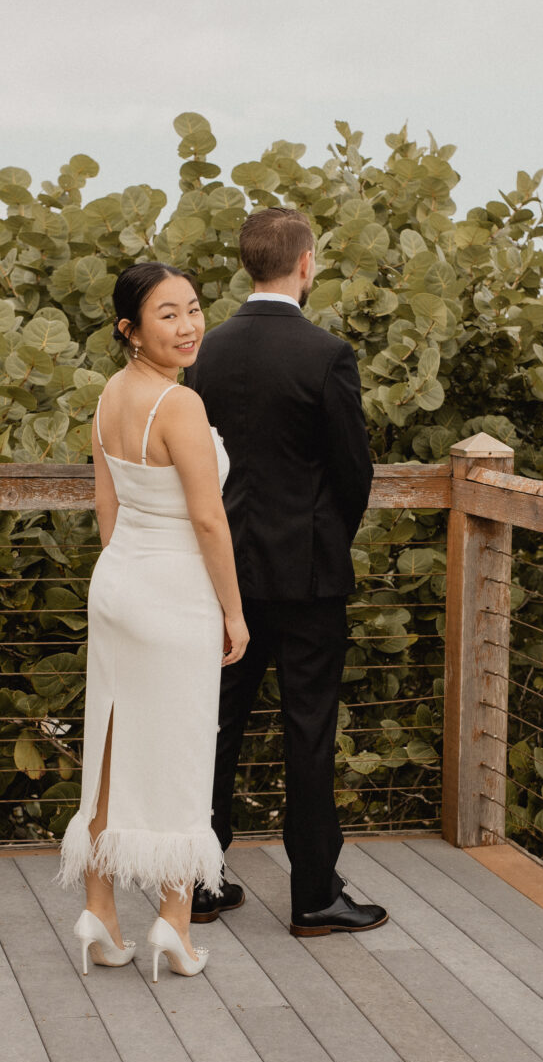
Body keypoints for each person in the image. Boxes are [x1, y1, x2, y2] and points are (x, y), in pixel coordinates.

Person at [187, 207, 389, 936]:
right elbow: (352, 471)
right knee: (308, 731)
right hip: (306, 578)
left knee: (213, 727)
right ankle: (313, 895)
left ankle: (201, 883)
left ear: (249, 264)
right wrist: (326, 539)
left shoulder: (204, 351)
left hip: (221, 576)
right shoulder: (326, 354)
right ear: (306, 263)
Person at [58, 262, 249, 980]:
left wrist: (127, 574)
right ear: (129, 329)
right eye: (167, 314)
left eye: (193, 308)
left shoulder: (111, 394)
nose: (188, 325)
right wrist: (232, 611)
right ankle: (173, 920)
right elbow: (207, 517)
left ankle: (99, 911)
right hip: (174, 589)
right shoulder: (179, 406)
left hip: (120, 581)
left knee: (109, 747)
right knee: (180, 753)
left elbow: (106, 503)